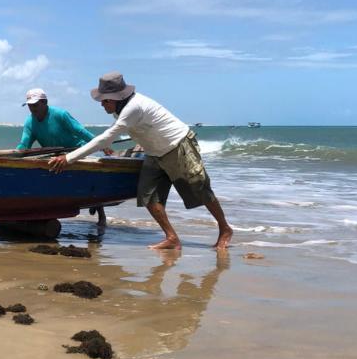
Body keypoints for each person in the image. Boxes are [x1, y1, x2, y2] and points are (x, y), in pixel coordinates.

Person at [48, 72, 233, 251]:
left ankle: (225, 229)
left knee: (200, 189)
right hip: (154, 152)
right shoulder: (120, 109)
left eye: (105, 100)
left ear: (117, 98)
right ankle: (172, 238)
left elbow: (106, 138)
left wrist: (68, 159)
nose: (102, 104)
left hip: (177, 145)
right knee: (148, 196)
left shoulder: (133, 107)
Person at [18, 87, 108, 227]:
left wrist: (101, 144)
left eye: (35, 105)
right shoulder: (30, 122)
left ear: (45, 102)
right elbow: (24, 143)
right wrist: (15, 155)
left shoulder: (60, 114)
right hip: (56, 155)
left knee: (88, 180)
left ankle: (100, 212)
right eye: (29, 106)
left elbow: (80, 131)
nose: (32, 109)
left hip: (77, 150)